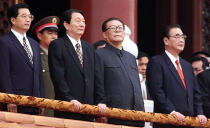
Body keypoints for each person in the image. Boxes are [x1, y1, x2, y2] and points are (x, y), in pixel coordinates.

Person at [48, 9, 106, 121]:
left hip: (88, 109)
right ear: (66, 25)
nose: (82, 24)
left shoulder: (89, 48)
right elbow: (58, 77)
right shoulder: (57, 45)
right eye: (78, 21)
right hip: (68, 107)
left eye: (83, 21)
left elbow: (97, 77)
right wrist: (69, 99)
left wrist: (100, 101)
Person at [146, 24, 207, 128]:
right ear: (166, 41)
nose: (181, 39)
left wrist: (200, 113)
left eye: (183, 37)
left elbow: (196, 93)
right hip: (168, 120)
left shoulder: (187, 66)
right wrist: (171, 111)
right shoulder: (156, 62)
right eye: (177, 36)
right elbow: (157, 91)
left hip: (189, 121)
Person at [95, 17, 145, 127]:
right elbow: (97, 82)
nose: (117, 30)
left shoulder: (131, 57)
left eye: (120, 28)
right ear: (105, 34)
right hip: (114, 112)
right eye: (113, 28)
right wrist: (101, 102)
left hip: (137, 113)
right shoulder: (99, 54)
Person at [0, 3, 44, 115]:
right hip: (16, 101)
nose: (28, 19)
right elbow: (4, 73)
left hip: (35, 101)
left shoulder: (34, 44)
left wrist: (42, 100)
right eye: (24, 16)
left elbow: (39, 74)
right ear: (13, 20)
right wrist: (10, 99)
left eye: (30, 16)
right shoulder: (4, 42)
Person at [31, 16, 60, 117]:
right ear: (39, 35)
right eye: (50, 33)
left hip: (60, 108)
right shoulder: (35, 55)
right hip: (43, 108)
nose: (54, 37)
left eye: (56, 33)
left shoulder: (60, 56)